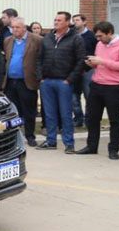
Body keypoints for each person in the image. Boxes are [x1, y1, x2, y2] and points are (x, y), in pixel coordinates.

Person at [36, 11, 87, 153]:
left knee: (65, 114)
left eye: (59, 20)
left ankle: (69, 144)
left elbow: (80, 61)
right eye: (55, 20)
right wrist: (40, 77)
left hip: (64, 82)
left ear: (67, 22)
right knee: (49, 114)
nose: (56, 22)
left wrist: (69, 79)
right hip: (46, 82)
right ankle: (51, 141)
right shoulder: (47, 37)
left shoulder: (76, 39)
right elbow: (39, 59)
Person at [74, 21, 119, 160]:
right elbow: (100, 64)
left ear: (109, 33)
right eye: (97, 36)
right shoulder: (100, 44)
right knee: (92, 118)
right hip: (96, 85)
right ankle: (91, 146)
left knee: (115, 120)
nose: (98, 39)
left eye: (101, 36)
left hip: (114, 87)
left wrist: (102, 61)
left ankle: (113, 149)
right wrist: (93, 64)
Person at [3, 17, 43, 148]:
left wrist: (39, 76)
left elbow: (41, 60)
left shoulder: (36, 40)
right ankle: (14, 136)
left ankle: (30, 135)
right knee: (13, 111)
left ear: (24, 27)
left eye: (17, 27)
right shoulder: (8, 40)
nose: (14, 30)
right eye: (13, 27)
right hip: (10, 81)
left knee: (29, 110)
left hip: (27, 81)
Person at [71, 14, 97, 128]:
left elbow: (97, 52)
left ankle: (89, 119)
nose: (75, 22)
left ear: (84, 22)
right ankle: (78, 118)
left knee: (89, 96)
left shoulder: (91, 36)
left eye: (77, 20)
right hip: (74, 70)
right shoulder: (71, 35)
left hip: (88, 70)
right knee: (73, 96)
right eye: (73, 20)